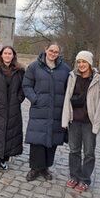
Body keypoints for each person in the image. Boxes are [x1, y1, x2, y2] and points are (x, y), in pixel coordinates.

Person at [22, 41, 71, 181]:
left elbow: (69, 88)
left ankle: (45, 168)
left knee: (52, 140)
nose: (53, 54)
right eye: (51, 51)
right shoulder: (34, 67)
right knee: (37, 139)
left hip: (57, 110)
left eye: (56, 52)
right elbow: (26, 85)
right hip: (39, 109)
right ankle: (34, 168)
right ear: (46, 50)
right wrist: (34, 99)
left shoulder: (65, 69)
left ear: (59, 53)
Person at [61, 51, 100, 192]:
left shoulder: (99, 80)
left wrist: (97, 124)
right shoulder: (72, 77)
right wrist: (66, 118)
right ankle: (74, 176)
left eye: (84, 62)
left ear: (90, 63)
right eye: (79, 62)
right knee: (74, 150)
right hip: (74, 120)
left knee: (89, 152)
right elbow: (67, 98)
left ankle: (85, 179)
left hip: (89, 121)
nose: (81, 65)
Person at [0, 46, 25, 175]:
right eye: (5, 53)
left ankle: (4, 158)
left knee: (10, 132)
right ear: (1, 55)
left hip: (13, 106)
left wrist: (19, 98)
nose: (7, 55)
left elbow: (23, 87)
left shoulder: (19, 70)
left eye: (10, 53)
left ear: (13, 55)